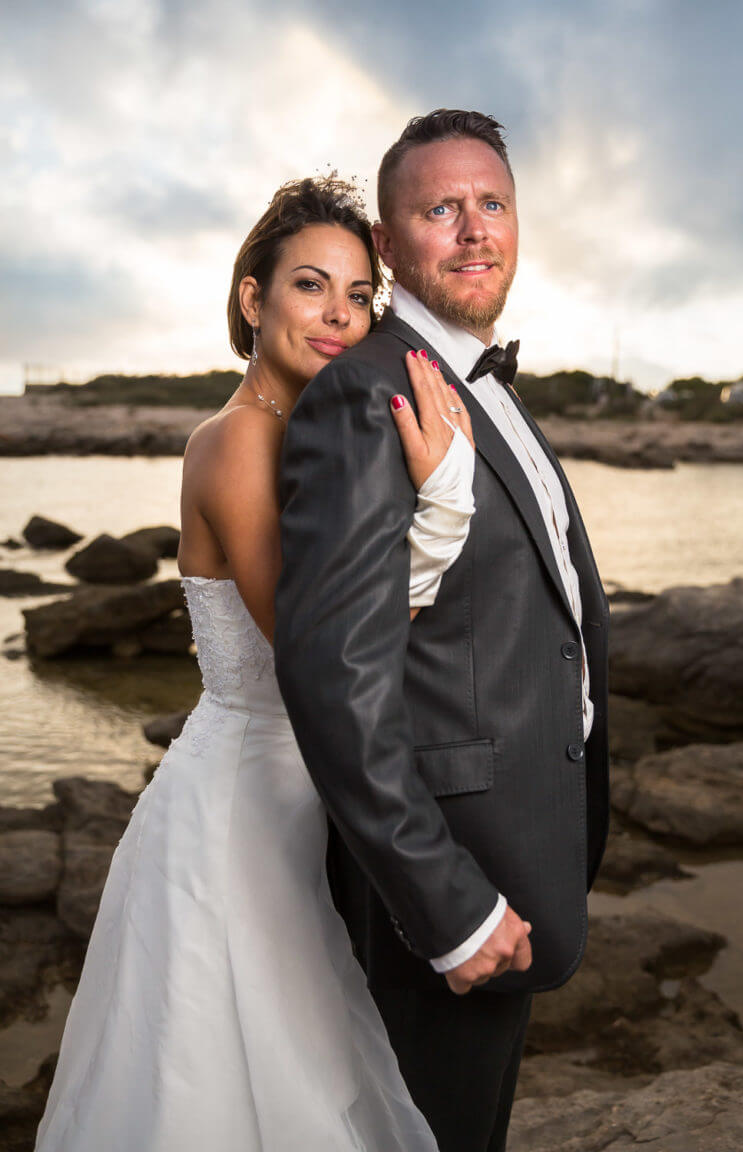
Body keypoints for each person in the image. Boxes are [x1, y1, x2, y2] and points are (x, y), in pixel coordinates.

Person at [34, 176, 479, 1152]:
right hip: (236, 817)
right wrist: (441, 514)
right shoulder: (236, 442)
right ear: (252, 299)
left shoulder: (306, 442)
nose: (337, 315)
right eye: (311, 286)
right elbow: (321, 645)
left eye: (359, 294)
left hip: (290, 804)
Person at [274, 110, 611, 1152]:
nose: (474, 230)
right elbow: (337, 675)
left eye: (493, 204)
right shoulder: (362, 394)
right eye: (440, 210)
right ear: (388, 244)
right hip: (452, 870)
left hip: (526, 842)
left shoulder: (491, 388)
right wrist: (448, 902)